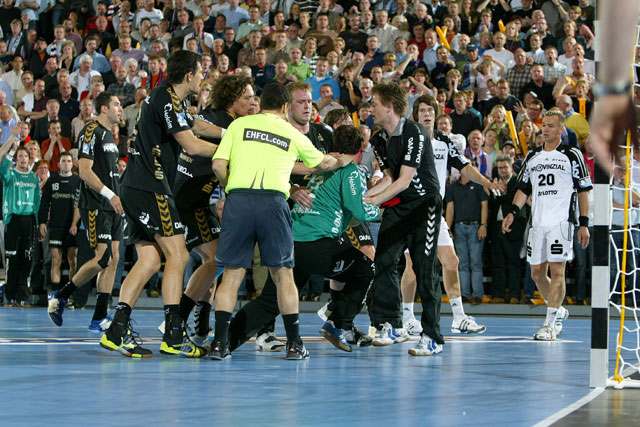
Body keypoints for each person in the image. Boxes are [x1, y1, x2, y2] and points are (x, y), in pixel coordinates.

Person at [210, 83, 348, 360]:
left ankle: (220, 344)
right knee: (283, 275)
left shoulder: (239, 125)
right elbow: (321, 164)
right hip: (273, 203)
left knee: (232, 275)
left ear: (261, 103)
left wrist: (231, 187)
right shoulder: (289, 131)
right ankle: (294, 344)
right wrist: (342, 161)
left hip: (239, 200)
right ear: (285, 106)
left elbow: (217, 165)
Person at [100, 50, 222, 358]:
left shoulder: (168, 99)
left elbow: (196, 126)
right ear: (188, 75)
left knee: (150, 261)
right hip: (150, 187)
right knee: (178, 254)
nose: (202, 78)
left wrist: (230, 133)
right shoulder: (167, 100)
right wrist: (232, 152)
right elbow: (191, 143)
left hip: (136, 186)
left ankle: (116, 330)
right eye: (200, 72)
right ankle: (174, 335)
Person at [227, 125, 379, 353]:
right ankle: (338, 323)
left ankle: (224, 342)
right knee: (367, 268)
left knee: (270, 301)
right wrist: (377, 207)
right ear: (360, 148)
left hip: (291, 241)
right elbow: (359, 211)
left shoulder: (321, 167)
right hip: (318, 244)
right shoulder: (352, 170)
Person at [401, 95, 499, 335]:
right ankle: (407, 318)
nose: (426, 114)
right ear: (416, 115)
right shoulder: (409, 141)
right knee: (412, 266)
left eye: (430, 110)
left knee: (451, 261)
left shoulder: (445, 142)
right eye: (422, 110)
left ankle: (459, 317)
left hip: (436, 213)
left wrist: (485, 182)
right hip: (412, 212)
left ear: (436, 115)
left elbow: (464, 167)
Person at [169, 74, 255, 345]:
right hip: (187, 199)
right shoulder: (228, 123)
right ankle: (177, 319)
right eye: (247, 98)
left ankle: (199, 325)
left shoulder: (214, 117)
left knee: (215, 259)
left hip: (191, 198)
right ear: (232, 100)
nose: (253, 103)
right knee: (217, 258)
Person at [363, 82, 442, 356]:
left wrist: (374, 202)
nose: (370, 108)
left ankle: (432, 336)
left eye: (374, 103)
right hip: (399, 205)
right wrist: (364, 198)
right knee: (384, 260)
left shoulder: (414, 132)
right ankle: (392, 325)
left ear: (389, 107)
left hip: (424, 206)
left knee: (424, 269)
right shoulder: (378, 139)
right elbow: (389, 179)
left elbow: (405, 180)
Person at [502, 110, 592, 340]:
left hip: (561, 222)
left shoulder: (572, 154)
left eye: (551, 126)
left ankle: (550, 324)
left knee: (558, 270)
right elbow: (523, 188)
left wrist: (584, 223)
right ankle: (558, 310)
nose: (546, 129)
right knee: (536, 274)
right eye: (544, 125)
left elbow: (583, 190)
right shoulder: (533, 157)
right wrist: (513, 212)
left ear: (561, 129)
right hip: (538, 223)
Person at [47, 92, 124, 332]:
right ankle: (61, 295)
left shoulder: (109, 134)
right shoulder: (90, 131)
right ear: (104, 108)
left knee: (114, 259)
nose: (120, 108)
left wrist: (118, 197)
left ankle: (99, 317)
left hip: (112, 205)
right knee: (102, 258)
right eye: (116, 104)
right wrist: (110, 195)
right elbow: (85, 171)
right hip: (96, 203)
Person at [0, 131, 40, 307]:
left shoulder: (34, 178)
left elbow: (37, 202)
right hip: (13, 219)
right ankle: (10, 296)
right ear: (16, 159)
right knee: (12, 258)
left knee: (27, 258)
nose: (24, 159)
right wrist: (10, 151)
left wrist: (38, 223)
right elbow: (2, 170)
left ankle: (22, 297)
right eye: (20, 156)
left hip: (29, 220)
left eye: (26, 156)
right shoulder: (10, 175)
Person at [38, 152, 81, 295]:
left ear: (72, 164)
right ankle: (54, 295)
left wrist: (77, 224)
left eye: (69, 161)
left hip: (73, 226)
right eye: (63, 161)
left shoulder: (78, 181)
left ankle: (70, 294)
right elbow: (44, 203)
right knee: (56, 259)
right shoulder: (52, 181)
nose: (66, 164)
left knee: (73, 259)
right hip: (55, 225)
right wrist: (42, 222)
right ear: (58, 164)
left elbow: (81, 205)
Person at [488, 154, 526, 304]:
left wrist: (504, 193)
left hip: (513, 227)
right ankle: (498, 294)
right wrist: (493, 192)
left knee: (513, 262)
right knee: (497, 262)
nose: (502, 170)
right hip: (496, 226)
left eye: (505, 167)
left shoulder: (518, 183)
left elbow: (518, 203)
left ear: (511, 167)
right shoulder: (494, 183)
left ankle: (514, 295)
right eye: (500, 168)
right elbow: (491, 205)